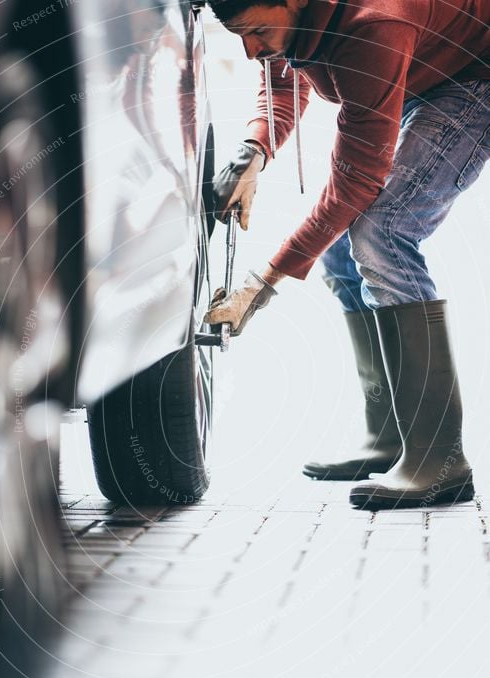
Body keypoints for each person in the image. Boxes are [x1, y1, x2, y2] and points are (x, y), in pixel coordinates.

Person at [204, 0, 490, 510]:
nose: (250, 50)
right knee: (340, 250)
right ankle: (389, 437)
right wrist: (255, 152)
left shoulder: (372, 27)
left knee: (385, 231)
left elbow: (357, 177)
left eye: (256, 31)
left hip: (474, 73)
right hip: (427, 66)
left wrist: (261, 283)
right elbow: (282, 75)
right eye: (238, 36)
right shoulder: (289, 21)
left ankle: (439, 459)